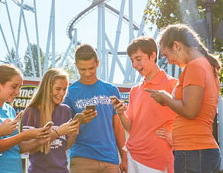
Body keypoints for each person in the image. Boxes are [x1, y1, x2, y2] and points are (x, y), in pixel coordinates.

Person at [146, 24, 221, 172]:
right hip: (197, 151)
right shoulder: (206, 66)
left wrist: (166, 98)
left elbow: (191, 111)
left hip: (193, 152)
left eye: (167, 55)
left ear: (176, 46)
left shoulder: (195, 67)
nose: (169, 62)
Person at [112, 36, 177, 173]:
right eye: (132, 60)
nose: (135, 65)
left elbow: (188, 119)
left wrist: (174, 139)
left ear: (153, 55)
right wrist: (120, 113)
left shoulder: (173, 85)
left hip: (157, 160)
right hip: (133, 156)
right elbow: (131, 128)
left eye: (138, 59)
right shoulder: (135, 90)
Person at [0, 64, 51, 173]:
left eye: (20, 87)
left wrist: (39, 140)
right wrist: (24, 135)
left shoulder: (10, 110)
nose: (18, 92)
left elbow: (17, 148)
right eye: (14, 87)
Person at [63, 44, 127, 173]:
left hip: (110, 159)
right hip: (82, 158)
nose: (87, 73)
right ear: (76, 66)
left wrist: (124, 157)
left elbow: (118, 127)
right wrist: (79, 120)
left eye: (91, 68)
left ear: (97, 64)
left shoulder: (111, 90)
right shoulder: (69, 92)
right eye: (82, 69)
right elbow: (65, 129)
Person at [21, 68, 80, 173]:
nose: (62, 93)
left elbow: (64, 146)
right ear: (47, 88)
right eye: (58, 89)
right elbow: (26, 148)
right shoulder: (31, 112)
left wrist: (74, 135)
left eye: (64, 89)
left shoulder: (65, 110)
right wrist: (57, 133)